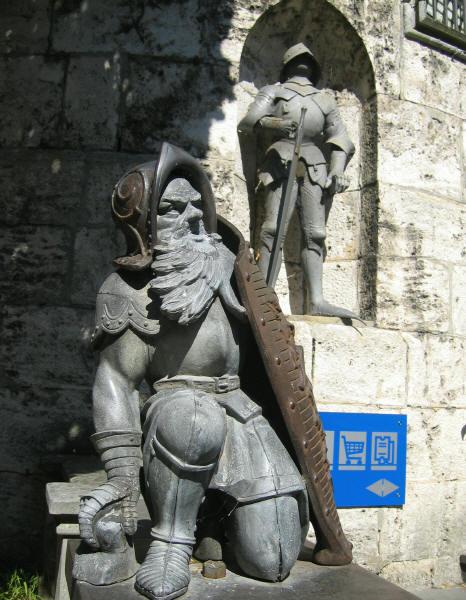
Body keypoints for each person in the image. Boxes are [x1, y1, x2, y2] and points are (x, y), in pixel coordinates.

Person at [77, 145, 310, 600]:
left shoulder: (234, 268)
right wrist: (122, 479)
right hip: (177, 412)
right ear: (143, 221)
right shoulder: (127, 291)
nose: (192, 217)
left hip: (239, 408)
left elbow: (271, 354)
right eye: (171, 209)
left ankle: (214, 522)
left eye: (195, 205)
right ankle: (171, 540)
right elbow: (116, 383)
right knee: (194, 418)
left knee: (275, 556)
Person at [238, 43, 358, 319]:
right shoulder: (274, 91)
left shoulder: (325, 99)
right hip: (280, 159)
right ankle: (264, 297)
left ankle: (316, 300)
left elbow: (341, 139)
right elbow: (248, 122)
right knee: (271, 230)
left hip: (315, 164)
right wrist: (275, 124)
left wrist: (336, 171)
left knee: (316, 234)